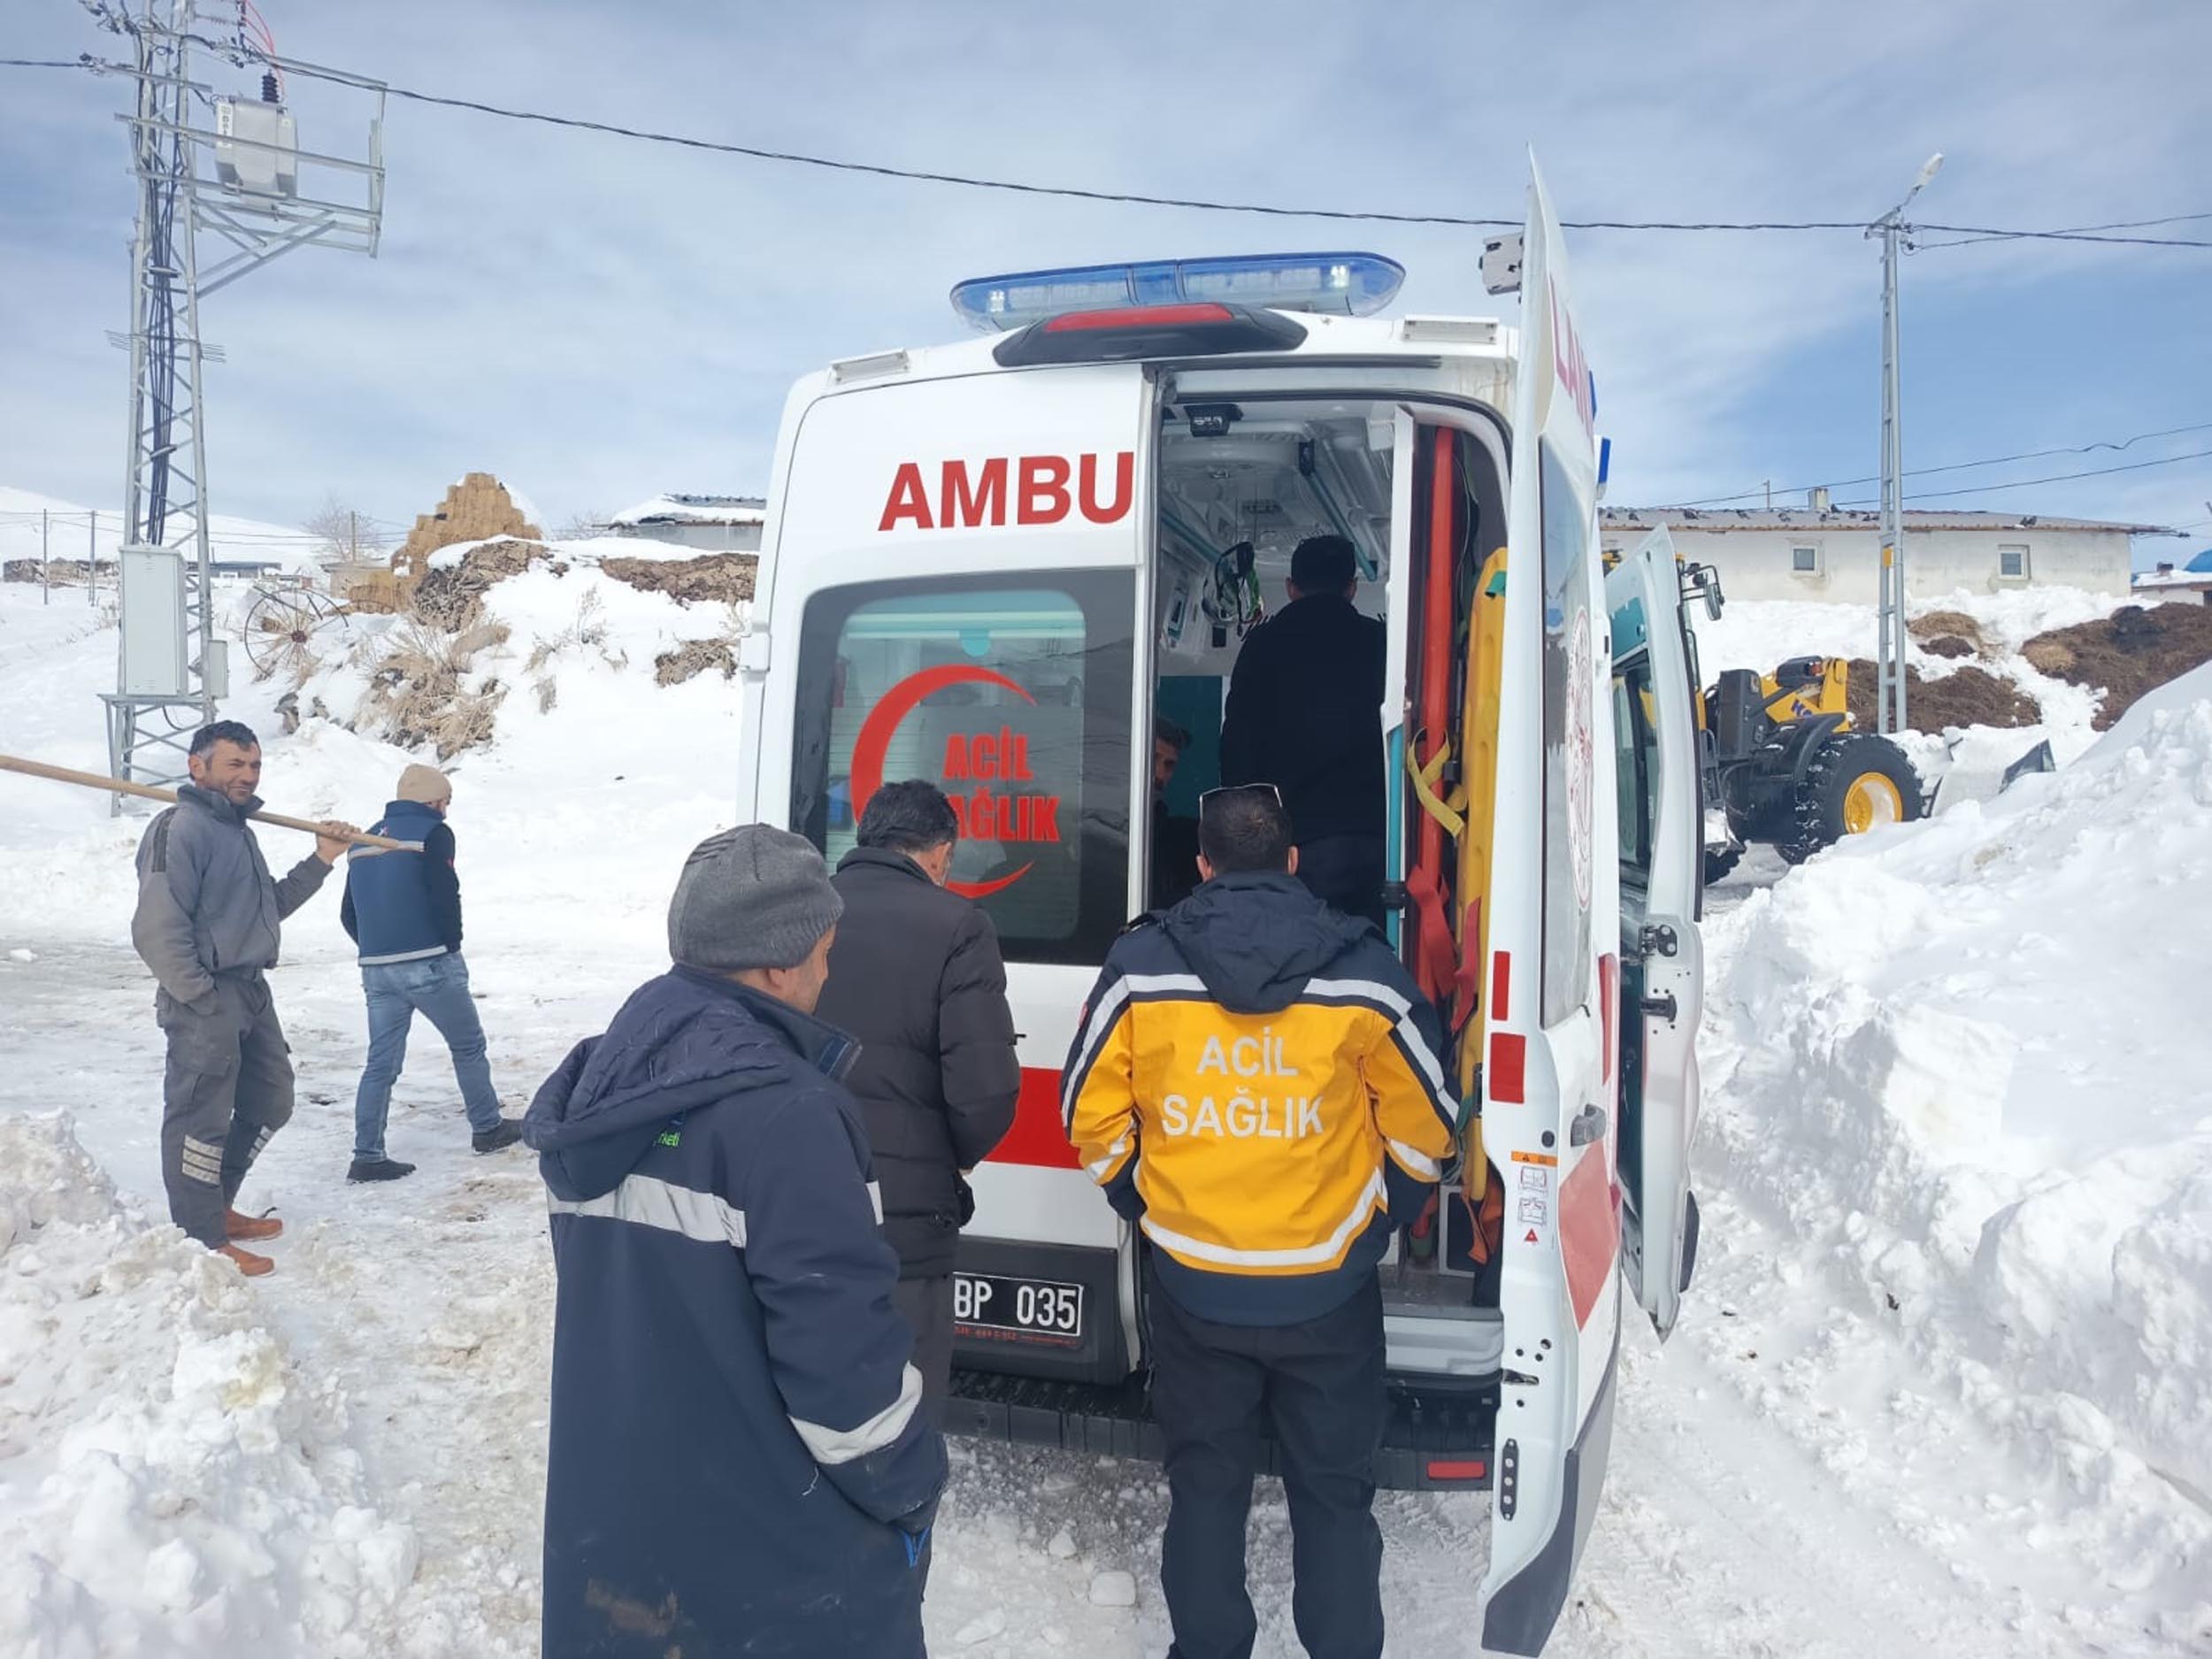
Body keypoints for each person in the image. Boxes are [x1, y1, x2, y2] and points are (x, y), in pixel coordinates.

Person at [525, 826, 945, 1658]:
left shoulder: (606, 1080)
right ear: (780, 965)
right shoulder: (790, 1115)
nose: (830, 972)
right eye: (826, 951)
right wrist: (913, 1487)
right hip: (770, 1567)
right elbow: (845, 1381)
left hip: (620, 1536)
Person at [1063, 785, 1456, 1659]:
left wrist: (1143, 1201)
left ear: (1201, 866)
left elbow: (1087, 1115)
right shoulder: (1362, 974)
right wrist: (1380, 1219)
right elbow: (1430, 1125)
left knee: (1204, 1490)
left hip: (1195, 1287)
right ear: (1291, 861)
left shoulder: (1142, 969)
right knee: (1334, 1496)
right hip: (1327, 1291)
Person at [816, 780, 1020, 1419]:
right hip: (905, 1231)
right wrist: (947, 1159)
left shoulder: (806, 914)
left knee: (815, 1407)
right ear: (939, 854)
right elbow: (986, 1091)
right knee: (900, 1421)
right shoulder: (958, 925)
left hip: (797, 1206)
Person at [130, 720, 358, 1277]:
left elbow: (267, 908)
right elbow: (156, 930)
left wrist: (323, 858)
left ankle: (219, 1205)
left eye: (254, 765)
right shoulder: (178, 828)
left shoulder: (237, 830)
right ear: (197, 765)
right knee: (198, 1119)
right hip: (207, 996)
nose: (248, 775)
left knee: (271, 1101)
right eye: (235, 764)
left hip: (253, 990)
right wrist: (201, 998)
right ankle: (200, 1236)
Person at [339, 763, 522, 1182]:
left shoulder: (362, 840)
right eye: (446, 802)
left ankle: (367, 1155)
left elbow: (350, 912)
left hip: (377, 970)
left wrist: (376, 949)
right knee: (468, 1045)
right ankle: (488, 1127)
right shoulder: (433, 833)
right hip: (429, 962)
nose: (447, 810)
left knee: (380, 1064)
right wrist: (450, 945)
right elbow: (445, 892)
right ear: (434, 801)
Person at [1218, 534, 1388, 928]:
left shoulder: (1262, 646)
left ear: (1291, 588)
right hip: (1374, 840)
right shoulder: (1380, 642)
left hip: (1293, 847)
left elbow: (1237, 749)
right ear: (1352, 588)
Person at [1150, 715, 1202, 911]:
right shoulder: (1096, 825)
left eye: (1169, 765)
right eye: (1153, 758)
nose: (1160, 774)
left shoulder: (1182, 838)